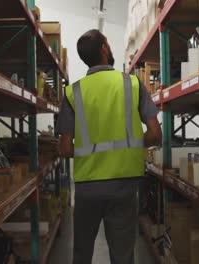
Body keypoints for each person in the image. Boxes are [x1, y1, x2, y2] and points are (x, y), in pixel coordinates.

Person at [55, 29, 162, 264]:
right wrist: (130, 144)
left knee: (82, 254)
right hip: (124, 185)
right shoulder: (131, 84)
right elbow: (155, 135)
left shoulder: (73, 93)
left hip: (86, 188)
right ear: (104, 48)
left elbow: (64, 149)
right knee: (123, 256)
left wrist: (90, 151)